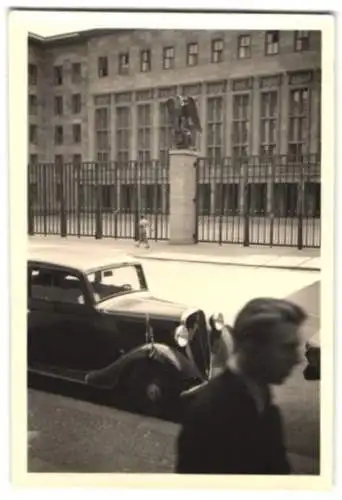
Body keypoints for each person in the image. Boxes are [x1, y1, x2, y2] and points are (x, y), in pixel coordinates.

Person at [175, 297, 307, 475]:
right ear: (253, 348)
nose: (297, 359)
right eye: (287, 348)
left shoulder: (261, 400)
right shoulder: (209, 415)